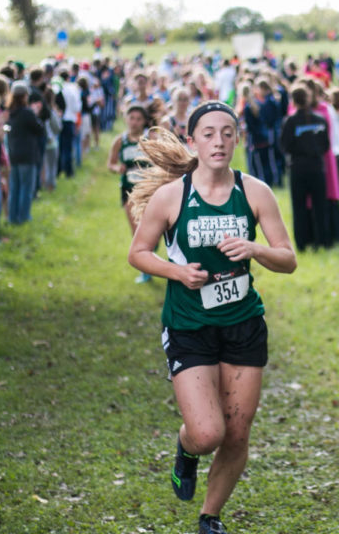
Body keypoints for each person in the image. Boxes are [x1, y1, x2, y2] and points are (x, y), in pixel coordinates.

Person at [127, 101, 296, 534]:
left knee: (237, 434)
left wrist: (255, 248)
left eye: (227, 132)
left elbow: (288, 259)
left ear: (237, 138)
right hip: (189, 326)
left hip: (243, 324)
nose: (218, 141)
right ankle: (186, 448)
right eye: (208, 133)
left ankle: (210, 516)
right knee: (208, 433)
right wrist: (177, 271)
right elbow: (138, 253)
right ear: (192, 140)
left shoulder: (255, 192)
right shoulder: (173, 196)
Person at [280, 84, 331, 250]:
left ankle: (302, 243)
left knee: (299, 207)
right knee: (320, 205)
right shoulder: (320, 120)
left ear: (293, 101)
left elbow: (284, 145)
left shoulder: (290, 122)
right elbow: (326, 144)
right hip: (316, 167)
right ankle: (322, 240)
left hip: (298, 168)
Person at [108, 104, 154, 283]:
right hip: (128, 189)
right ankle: (145, 269)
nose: (134, 122)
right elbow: (110, 163)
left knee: (151, 227)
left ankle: (151, 246)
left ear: (144, 121)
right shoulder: (120, 140)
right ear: (126, 119)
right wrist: (116, 167)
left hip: (150, 188)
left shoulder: (150, 138)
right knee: (136, 230)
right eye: (131, 118)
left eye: (138, 119)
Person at [5, 82, 44, 224]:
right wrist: (36, 114)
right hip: (27, 155)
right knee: (26, 188)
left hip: (13, 154)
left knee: (14, 188)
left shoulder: (9, 112)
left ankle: (12, 217)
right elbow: (40, 130)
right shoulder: (27, 113)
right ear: (24, 96)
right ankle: (23, 217)